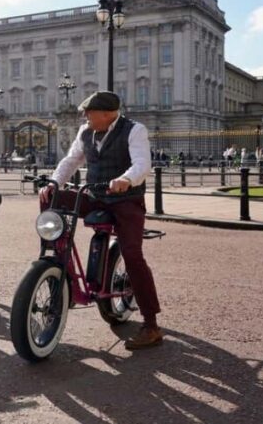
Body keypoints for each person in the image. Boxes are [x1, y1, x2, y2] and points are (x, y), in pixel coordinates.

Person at [38, 91, 162, 350]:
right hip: (95, 196)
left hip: (126, 200)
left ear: (107, 114)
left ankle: (151, 325)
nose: (85, 116)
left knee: (132, 255)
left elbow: (142, 164)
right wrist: (54, 183)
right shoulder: (86, 132)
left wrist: (126, 179)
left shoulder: (134, 130)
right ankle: (60, 262)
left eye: (89, 112)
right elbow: (71, 160)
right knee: (50, 197)